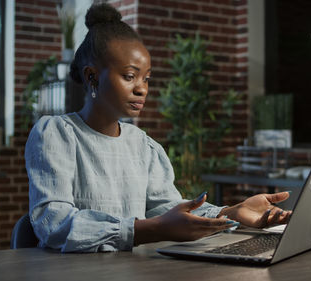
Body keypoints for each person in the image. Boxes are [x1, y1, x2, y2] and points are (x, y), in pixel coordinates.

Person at [25, 3, 292, 253]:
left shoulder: (142, 145)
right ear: (92, 76)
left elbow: (166, 208)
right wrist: (153, 230)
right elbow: (54, 223)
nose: (142, 88)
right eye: (129, 76)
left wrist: (232, 213)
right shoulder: (57, 134)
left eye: (146, 78)